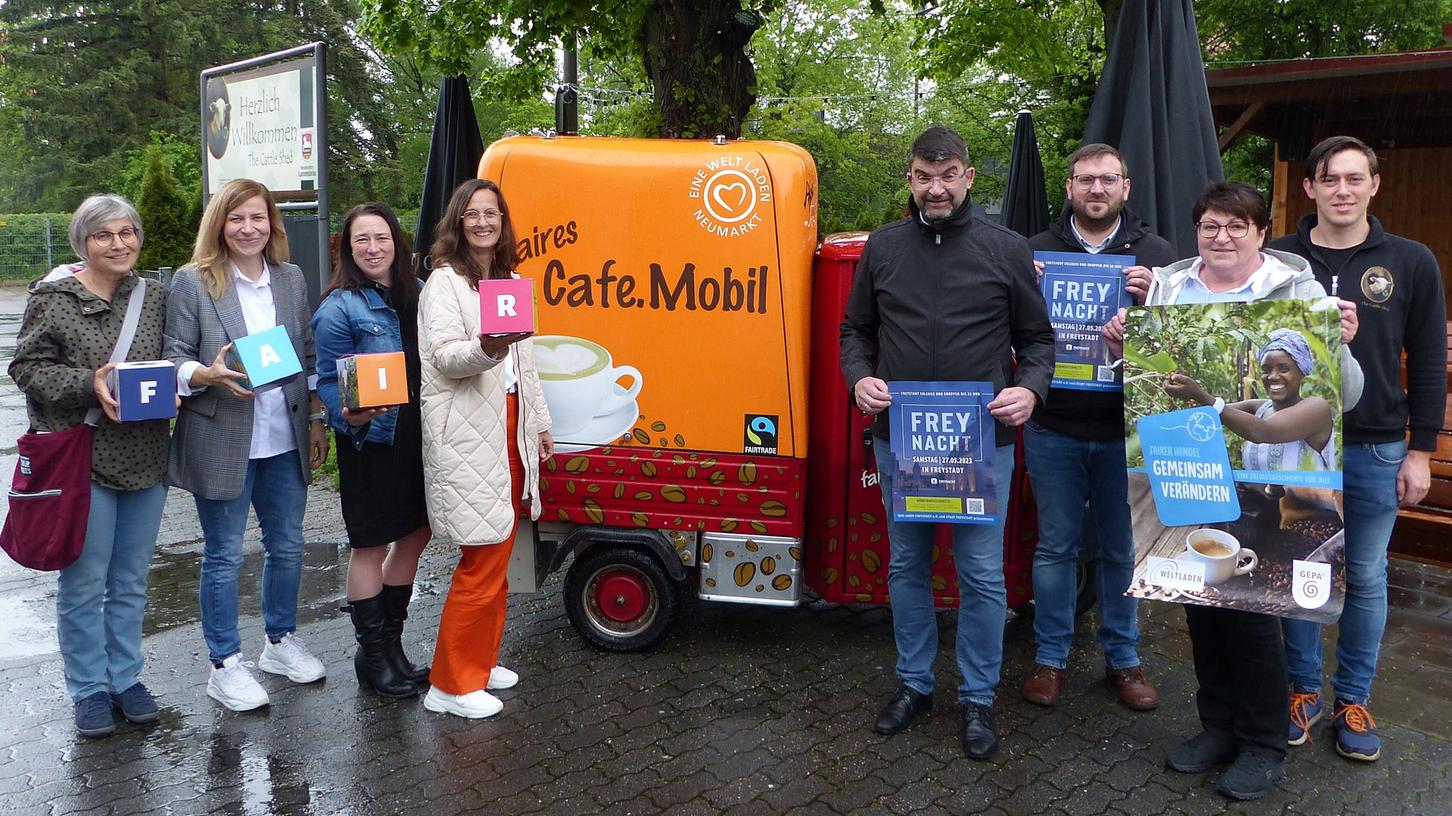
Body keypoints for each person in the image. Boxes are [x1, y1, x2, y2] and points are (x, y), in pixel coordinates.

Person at [1104, 181, 1360, 800]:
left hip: (1285, 499)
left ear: (1260, 233)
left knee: (1253, 617)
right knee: (1201, 603)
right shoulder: (1170, 285)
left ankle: (1264, 743)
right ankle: (1216, 727)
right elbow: (1152, 382)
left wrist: (1343, 343)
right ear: (1197, 231)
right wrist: (1119, 347)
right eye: (1210, 226)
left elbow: (1342, 396)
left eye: (1236, 226)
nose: (1221, 238)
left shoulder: (1297, 291)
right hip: (1195, 474)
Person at [839, 126, 1055, 760]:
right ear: (910, 179)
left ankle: (979, 697)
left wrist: (1032, 392)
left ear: (968, 178)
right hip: (900, 436)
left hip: (982, 437)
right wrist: (861, 379)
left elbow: (1038, 340)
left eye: (949, 174)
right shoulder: (883, 248)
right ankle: (914, 684)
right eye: (924, 176)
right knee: (906, 565)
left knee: (981, 573)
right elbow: (856, 330)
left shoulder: (1006, 249)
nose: (937, 187)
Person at [1270, 135, 1448, 762]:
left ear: (1375, 185)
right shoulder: (1280, 261)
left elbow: (1428, 359)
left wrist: (1421, 450)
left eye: (1354, 179)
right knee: (1299, 572)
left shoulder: (1411, 260)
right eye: (1329, 179)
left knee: (1367, 576)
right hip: (1298, 446)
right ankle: (1301, 692)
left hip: (1374, 446)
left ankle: (1353, 698)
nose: (1342, 190)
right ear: (1310, 188)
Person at [164, 178, 330, 712]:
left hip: (283, 438)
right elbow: (171, 356)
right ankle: (224, 664)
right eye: (237, 218)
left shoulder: (290, 278)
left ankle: (279, 642)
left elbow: (304, 349)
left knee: (287, 546)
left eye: (258, 218)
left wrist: (317, 419)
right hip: (222, 437)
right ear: (219, 223)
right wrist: (203, 375)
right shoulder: (195, 282)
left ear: (272, 224)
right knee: (224, 555)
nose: (248, 228)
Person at [1021, 143, 1176, 711]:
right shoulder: (1034, 250)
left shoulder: (1156, 253)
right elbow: (1012, 332)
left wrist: (1153, 298)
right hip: (1053, 425)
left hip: (1124, 431)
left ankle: (1124, 658)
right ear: (1069, 188)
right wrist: (1025, 289)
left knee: (1121, 549)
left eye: (1108, 179)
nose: (1096, 189)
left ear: (1125, 188)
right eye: (1085, 180)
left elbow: (1174, 348)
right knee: (1056, 547)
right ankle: (1050, 658)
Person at [10, 195, 170, 737]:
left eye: (127, 232)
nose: (119, 244)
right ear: (84, 242)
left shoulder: (153, 296)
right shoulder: (53, 298)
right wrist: (88, 383)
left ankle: (125, 677)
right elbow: (26, 367)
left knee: (129, 580)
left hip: (145, 455)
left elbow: (173, 358)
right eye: (104, 235)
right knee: (84, 580)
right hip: (79, 457)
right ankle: (88, 688)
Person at [418, 179, 553, 719]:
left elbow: (528, 362)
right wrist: (487, 348)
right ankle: (450, 683)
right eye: (471, 214)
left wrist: (540, 422)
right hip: (470, 430)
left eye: (491, 213)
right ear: (457, 222)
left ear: (503, 221)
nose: (482, 222)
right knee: (483, 555)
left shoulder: (510, 279)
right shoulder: (444, 284)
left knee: (501, 548)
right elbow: (446, 359)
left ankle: (480, 658)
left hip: (511, 424)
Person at [311, 203, 431, 698]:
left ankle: (392, 647)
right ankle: (374, 657)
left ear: (397, 243)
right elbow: (324, 380)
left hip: (417, 437)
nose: (373, 248)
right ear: (347, 248)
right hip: (372, 441)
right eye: (362, 240)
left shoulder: (418, 294)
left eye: (382, 238)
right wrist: (348, 415)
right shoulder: (338, 307)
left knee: (417, 533)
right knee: (370, 545)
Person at [1163, 329, 1336, 473]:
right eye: (1266, 369)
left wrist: (1199, 394)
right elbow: (1209, 413)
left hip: (1308, 513)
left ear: (1302, 371)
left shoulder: (1317, 409)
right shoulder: (1260, 408)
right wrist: (1184, 388)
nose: (1273, 377)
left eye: (1284, 369)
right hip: (1260, 511)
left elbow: (1261, 431)